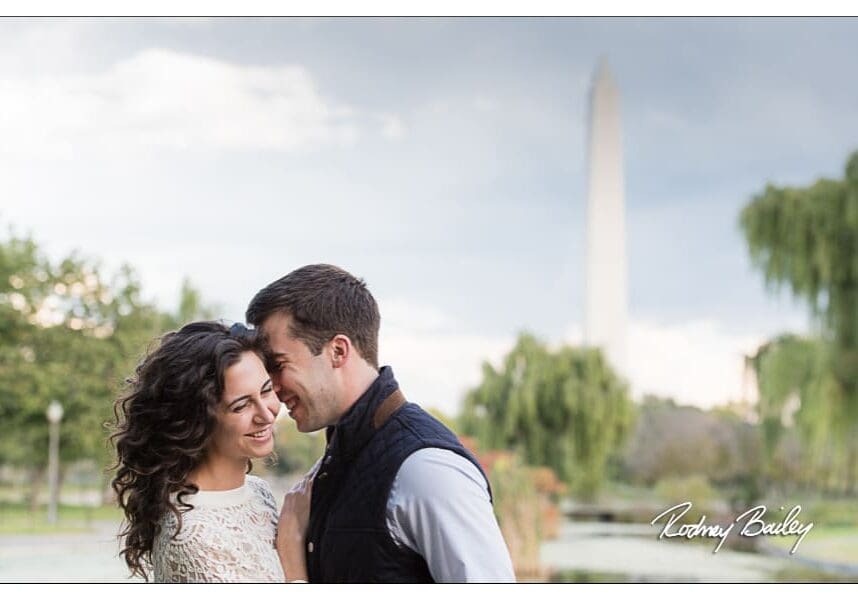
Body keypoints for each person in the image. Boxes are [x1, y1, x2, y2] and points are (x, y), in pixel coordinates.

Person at [246, 264, 516, 583]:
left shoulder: (427, 470)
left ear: (338, 351)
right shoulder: (334, 463)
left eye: (278, 365)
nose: (273, 386)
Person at [110, 321, 310, 582]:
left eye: (266, 390)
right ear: (198, 420)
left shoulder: (258, 492)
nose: (266, 414)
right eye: (241, 405)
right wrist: (293, 551)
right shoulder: (192, 536)